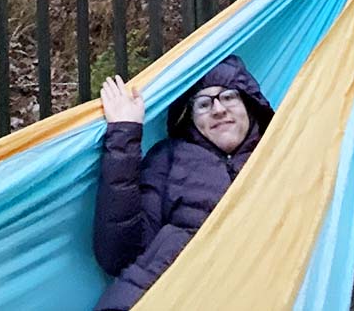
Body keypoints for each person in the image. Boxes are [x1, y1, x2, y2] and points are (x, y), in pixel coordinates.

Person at [92, 55, 273, 310]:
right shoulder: (170, 158)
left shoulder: (280, 153)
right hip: (160, 295)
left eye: (229, 96)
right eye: (203, 104)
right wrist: (124, 134)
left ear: (249, 103)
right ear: (191, 117)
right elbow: (118, 255)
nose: (219, 109)